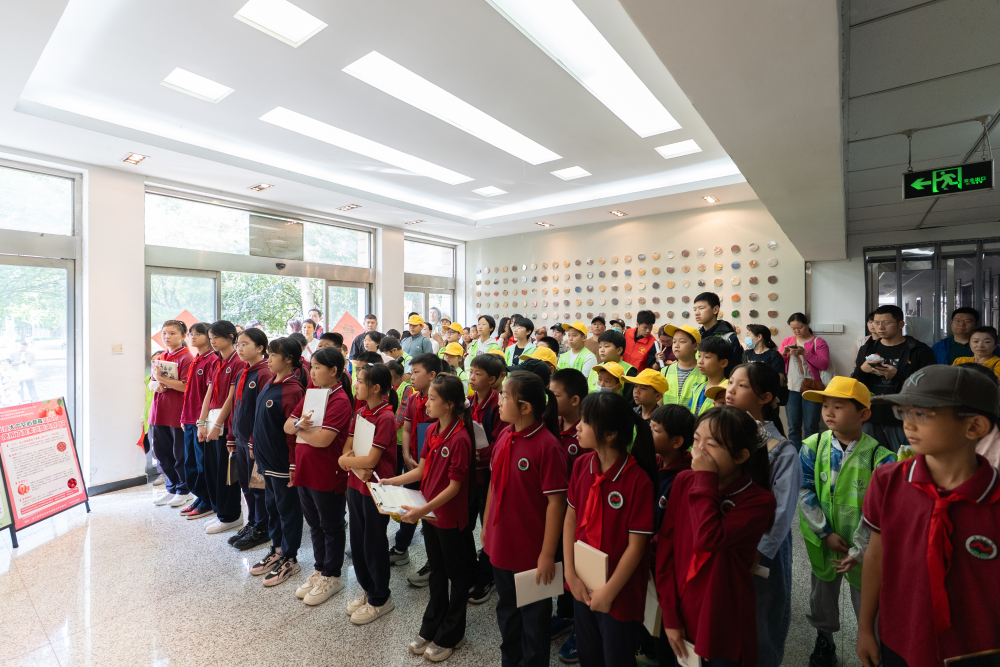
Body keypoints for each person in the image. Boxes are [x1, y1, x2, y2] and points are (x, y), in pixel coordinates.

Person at [856, 365, 1000, 667]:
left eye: (921, 414)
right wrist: (865, 627)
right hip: (901, 638)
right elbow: (876, 555)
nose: (907, 424)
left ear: (974, 427)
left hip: (979, 651)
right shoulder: (887, 481)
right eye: (903, 412)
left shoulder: (994, 498)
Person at [656, 407, 776, 666]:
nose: (698, 452)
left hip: (722, 618)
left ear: (741, 456)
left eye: (710, 445)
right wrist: (670, 615)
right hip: (682, 608)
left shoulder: (759, 501)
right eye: (696, 440)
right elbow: (666, 549)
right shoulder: (684, 481)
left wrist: (705, 478)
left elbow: (708, 538)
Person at [797, 376, 895, 667]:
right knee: (821, 595)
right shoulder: (812, 446)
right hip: (823, 542)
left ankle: (872, 646)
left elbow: (880, 512)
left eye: (838, 407)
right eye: (825, 405)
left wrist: (860, 549)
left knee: (867, 599)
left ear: (864, 414)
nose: (828, 412)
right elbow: (805, 491)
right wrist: (824, 532)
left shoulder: (880, 457)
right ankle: (824, 639)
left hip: (863, 548)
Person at [384, 374, 478, 661]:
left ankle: (453, 633)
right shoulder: (433, 429)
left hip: (448, 517)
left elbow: (454, 488)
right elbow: (421, 471)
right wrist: (391, 481)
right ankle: (433, 624)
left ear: (449, 404)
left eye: (433, 399)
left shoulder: (460, 438)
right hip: (431, 516)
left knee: (457, 576)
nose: (426, 403)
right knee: (437, 571)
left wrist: (421, 511)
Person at [563, 392, 656, 667]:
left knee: (617, 657)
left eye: (585, 422)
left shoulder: (637, 481)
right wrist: (570, 573)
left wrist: (608, 593)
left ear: (610, 433)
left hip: (619, 590)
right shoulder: (582, 464)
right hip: (582, 580)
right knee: (588, 654)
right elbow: (570, 520)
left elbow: (636, 547)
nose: (578, 427)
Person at [483, 371, 567, 667]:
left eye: (505, 396)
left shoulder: (547, 446)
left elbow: (556, 503)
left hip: (532, 552)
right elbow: (494, 485)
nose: (499, 400)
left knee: (534, 623)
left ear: (526, 407)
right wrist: (487, 528)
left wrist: (547, 555)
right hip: (501, 545)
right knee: (507, 614)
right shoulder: (505, 435)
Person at [725, 363, 801, 667]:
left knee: (762, 619)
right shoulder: (722, 435)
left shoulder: (781, 450)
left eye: (741, 385)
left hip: (762, 547)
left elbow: (781, 512)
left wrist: (759, 552)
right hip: (727, 539)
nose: (730, 390)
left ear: (765, 397)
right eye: (731, 382)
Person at [280, 347, 354, 605]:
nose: (312, 372)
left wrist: (299, 430)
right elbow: (287, 426)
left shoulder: (340, 400)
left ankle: (332, 575)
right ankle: (320, 568)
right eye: (311, 367)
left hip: (326, 472)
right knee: (313, 524)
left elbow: (323, 440)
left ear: (334, 371)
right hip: (305, 469)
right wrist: (298, 426)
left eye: (318, 367)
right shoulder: (312, 394)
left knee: (331, 525)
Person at [338, 363, 397, 619]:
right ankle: (368, 588)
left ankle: (381, 597)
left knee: (374, 542)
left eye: (361, 381)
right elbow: (347, 447)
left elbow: (372, 459)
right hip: (356, 484)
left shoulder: (386, 417)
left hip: (375, 488)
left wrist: (345, 462)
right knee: (358, 541)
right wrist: (350, 462)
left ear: (376, 388)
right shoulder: (361, 411)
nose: (356, 384)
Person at [248, 337, 307, 587]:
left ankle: (290, 558)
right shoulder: (270, 383)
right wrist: (253, 443)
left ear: (289, 359)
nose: (269, 358)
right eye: (269, 354)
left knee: (287, 510)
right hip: (266, 461)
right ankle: (277, 549)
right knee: (272, 507)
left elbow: (294, 434)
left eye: (273, 355)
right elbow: (259, 419)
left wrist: (293, 465)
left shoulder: (293, 390)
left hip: (283, 463)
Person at [852, 305, 936, 452]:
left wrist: (897, 375)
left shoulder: (919, 351)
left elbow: (929, 386)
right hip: (872, 417)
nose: (880, 327)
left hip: (904, 419)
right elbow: (856, 384)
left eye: (885, 323)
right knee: (870, 460)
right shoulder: (867, 349)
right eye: (876, 323)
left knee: (902, 461)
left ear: (901, 324)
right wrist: (862, 370)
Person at [548, 367, 589, 661]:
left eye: (555, 395)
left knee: (578, 568)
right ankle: (564, 614)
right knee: (559, 562)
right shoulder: (550, 425)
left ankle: (580, 626)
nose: (549, 400)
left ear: (575, 400)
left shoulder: (587, 433)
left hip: (579, 516)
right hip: (554, 512)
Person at [390, 353, 441, 585]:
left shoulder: (441, 400)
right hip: (414, 462)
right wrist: (406, 455)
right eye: (411, 371)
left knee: (430, 512)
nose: (411, 376)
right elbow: (408, 428)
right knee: (408, 504)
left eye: (416, 372)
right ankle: (401, 548)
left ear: (432, 375)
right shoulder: (412, 397)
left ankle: (434, 563)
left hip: (434, 467)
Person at [197, 321, 247, 536]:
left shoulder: (238, 362)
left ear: (230, 337)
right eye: (211, 338)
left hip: (226, 424)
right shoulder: (215, 361)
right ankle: (220, 512)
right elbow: (209, 394)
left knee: (225, 472)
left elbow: (231, 397)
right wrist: (201, 422)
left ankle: (231, 516)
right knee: (212, 469)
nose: (213, 341)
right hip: (212, 420)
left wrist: (218, 425)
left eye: (216, 337)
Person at [227, 328, 273, 551]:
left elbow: (262, 413)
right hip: (241, 438)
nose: (239, 348)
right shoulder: (243, 372)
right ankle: (252, 522)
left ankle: (262, 528)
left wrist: (255, 439)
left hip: (255, 442)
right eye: (238, 344)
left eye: (244, 344)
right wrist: (231, 435)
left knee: (258, 486)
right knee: (246, 484)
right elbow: (236, 406)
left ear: (260, 347)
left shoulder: (264, 373)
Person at [468, 353, 507, 605]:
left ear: (492, 379)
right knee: (467, 523)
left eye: (478, 374)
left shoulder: (497, 406)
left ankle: (487, 576)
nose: (471, 377)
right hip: (470, 474)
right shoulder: (468, 402)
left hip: (488, 476)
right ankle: (472, 570)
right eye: (471, 372)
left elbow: (499, 441)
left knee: (488, 526)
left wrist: (481, 455)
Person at [149, 320, 193, 507]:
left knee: (179, 454)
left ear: (183, 336)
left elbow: (185, 386)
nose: (167, 337)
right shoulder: (162, 356)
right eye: (164, 333)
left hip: (176, 413)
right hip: (159, 412)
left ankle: (184, 490)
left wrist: (162, 380)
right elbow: (152, 382)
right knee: (162, 452)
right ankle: (172, 487)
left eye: (172, 333)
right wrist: (156, 384)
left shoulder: (187, 358)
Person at [178, 323, 215, 521]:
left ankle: (207, 500)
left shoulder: (212, 360)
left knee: (203, 464)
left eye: (198, 334)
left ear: (209, 336)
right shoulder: (196, 360)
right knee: (190, 462)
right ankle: (200, 497)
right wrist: (184, 416)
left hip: (202, 420)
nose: (192, 337)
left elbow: (209, 395)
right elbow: (189, 393)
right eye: (191, 334)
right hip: (190, 419)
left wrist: (203, 421)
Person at [780, 313, 831, 450]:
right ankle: (796, 455)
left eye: (800, 327)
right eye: (793, 328)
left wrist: (805, 354)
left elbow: (824, 364)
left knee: (811, 426)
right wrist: (784, 353)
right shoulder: (787, 341)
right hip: (791, 388)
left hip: (812, 388)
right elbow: (779, 363)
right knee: (793, 427)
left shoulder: (818, 342)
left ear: (807, 324)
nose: (797, 331)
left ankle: (810, 455)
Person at [693, 292, 745, 371]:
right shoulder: (696, 337)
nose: (697, 313)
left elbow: (734, 370)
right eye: (694, 309)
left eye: (701, 308)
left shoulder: (728, 338)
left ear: (715, 309)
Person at [660, 325, 705, 408]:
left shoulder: (705, 372)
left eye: (682, 342)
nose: (676, 345)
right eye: (674, 342)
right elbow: (660, 400)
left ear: (695, 346)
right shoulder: (665, 371)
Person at [688, 336, 732, 415]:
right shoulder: (698, 388)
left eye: (707, 357)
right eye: (699, 356)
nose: (700, 361)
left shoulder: (727, 391)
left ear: (723, 363)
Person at [588, 330, 638, 395]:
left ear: (619, 350)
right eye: (600, 347)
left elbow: (630, 399)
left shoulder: (629, 371)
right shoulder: (594, 369)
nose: (601, 350)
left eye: (606, 346)